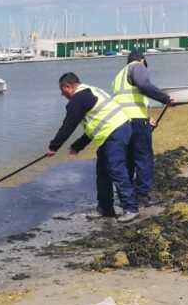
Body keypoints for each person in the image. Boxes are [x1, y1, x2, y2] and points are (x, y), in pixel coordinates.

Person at [46, 71, 138, 223]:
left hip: (115, 132)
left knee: (116, 169)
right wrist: (78, 146)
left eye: (62, 90)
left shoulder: (78, 100)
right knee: (103, 172)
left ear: (68, 86)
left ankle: (130, 208)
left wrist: (53, 147)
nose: (62, 94)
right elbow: (95, 125)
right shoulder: (90, 92)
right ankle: (105, 208)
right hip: (113, 132)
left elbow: (68, 126)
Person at [111, 49, 174, 206]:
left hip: (121, 122)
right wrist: (165, 98)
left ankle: (126, 196)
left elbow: (126, 101)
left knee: (128, 159)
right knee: (144, 157)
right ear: (142, 60)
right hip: (137, 122)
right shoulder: (137, 66)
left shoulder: (118, 77)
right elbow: (143, 84)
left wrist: (147, 118)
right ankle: (142, 195)